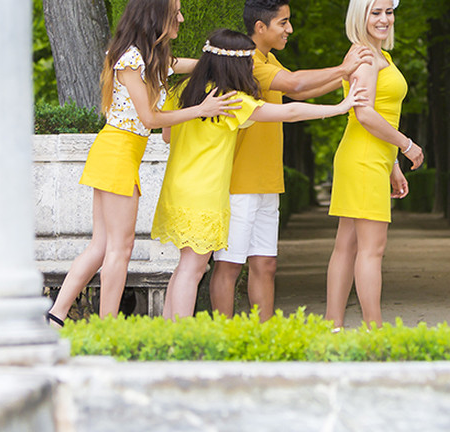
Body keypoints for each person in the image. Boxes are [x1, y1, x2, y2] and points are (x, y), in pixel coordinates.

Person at [46, 0, 239, 326]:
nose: (181, 16)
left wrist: (225, 61)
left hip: (118, 153)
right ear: (157, 15)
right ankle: (108, 328)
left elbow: (193, 64)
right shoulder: (131, 58)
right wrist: (201, 109)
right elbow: (149, 118)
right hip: (117, 152)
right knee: (121, 249)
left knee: (102, 246)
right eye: (175, 10)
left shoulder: (153, 58)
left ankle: (56, 315)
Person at [153, 29, 368, 320]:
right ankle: (179, 341)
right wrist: (339, 107)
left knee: (185, 267)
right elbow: (289, 112)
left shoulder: (181, 91)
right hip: (205, 194)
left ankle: (166, 334)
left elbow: (167, 135)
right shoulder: (230, 100)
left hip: (176, 189)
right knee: (193, 271)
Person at [208, 0, 372, 322]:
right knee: (228, 265)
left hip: (267, 180)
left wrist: (346, 79)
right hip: (237, 184)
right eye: (284, 22)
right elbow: (296, 84)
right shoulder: (248, 62)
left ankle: (267, 339)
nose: (290, 29)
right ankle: (220, 343)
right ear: (260, 28)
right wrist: (343, 69)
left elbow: (299, 91)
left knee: (265, 264)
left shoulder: (268, 58)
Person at [325, 0, 424, 330]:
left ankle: (333, 326)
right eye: (375, 12)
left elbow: (380, 112)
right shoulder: (366, 56)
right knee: (371, 249)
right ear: (360, 16)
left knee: (348, 245)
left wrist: (394, 164)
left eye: (389, 11)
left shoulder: (379, 55)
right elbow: (363, 113)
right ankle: (374, 331)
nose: (384, 19)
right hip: (363, 158)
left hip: (368, 157)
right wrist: (407, 145)